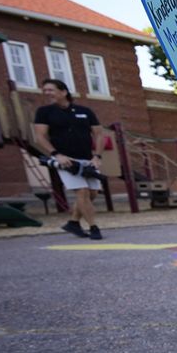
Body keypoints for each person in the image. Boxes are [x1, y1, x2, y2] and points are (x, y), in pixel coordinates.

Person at [33, 78, 104, 240]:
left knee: (92, 193)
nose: (47, 93)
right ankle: (94, 228)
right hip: (66, 161)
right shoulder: (44, 112)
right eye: (45, 91)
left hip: (88, 159)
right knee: (82, 191)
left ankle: (73, 222)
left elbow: (99, 134)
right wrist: (56, 154)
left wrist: (97, 156)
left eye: (50, 90)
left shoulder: (85, 111)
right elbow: (40, 137)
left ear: (63, 92)